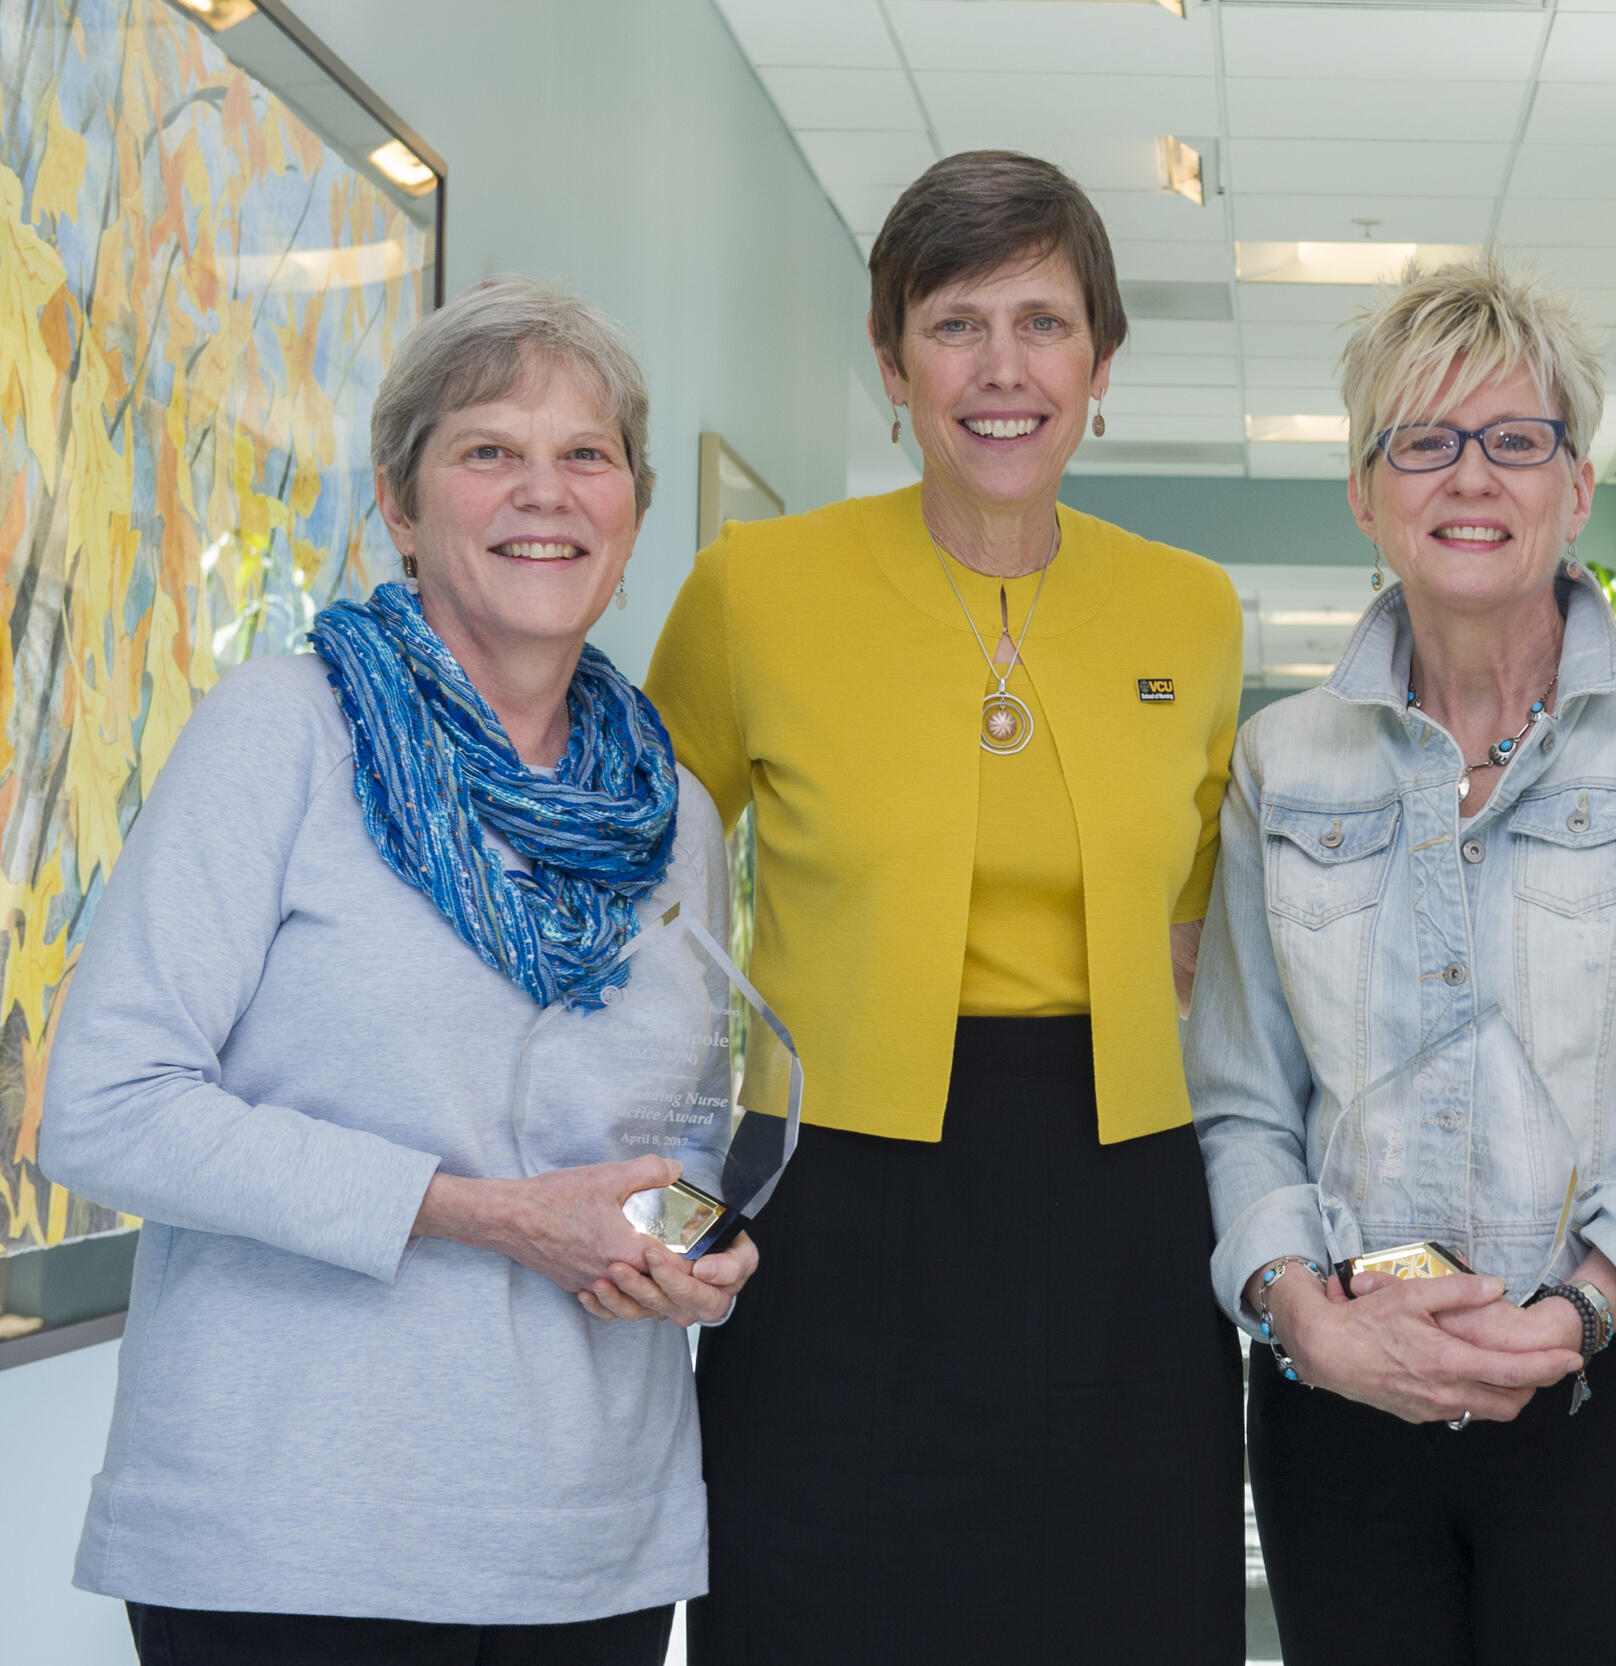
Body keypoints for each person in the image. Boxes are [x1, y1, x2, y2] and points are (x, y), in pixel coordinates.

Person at [38, 278, 758, 1666]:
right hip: (291, 1531)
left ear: (633, 507)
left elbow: (678, 1133)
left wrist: (698, 1245)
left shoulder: (670, 812)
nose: (541, 492)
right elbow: (106, 1104)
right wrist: (484, 1212)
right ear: (402, 503)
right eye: (487, 450)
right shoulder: (283, 737)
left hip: (584, 1544)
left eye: (585, 455)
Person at [645, 150, 1244, 1665]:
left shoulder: (1191, 608)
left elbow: (1197, 925)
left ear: (1101, 364)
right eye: (955, 322)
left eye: (1044, 323)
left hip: (1124, 1190)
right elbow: (635, 884)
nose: (1002, 369)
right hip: (828, 1189)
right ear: (891, 358)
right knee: (818, 1597)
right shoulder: (756, 587)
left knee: (1121, 1601)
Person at [1186, 259, 1616, 1665]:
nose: (1472, 475)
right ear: (1365, 492)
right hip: (1342, 1411)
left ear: (1577, 485)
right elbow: (1240, 1103)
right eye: (1425, 439)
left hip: (1611, 1407)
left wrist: (1582, 1305)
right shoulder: (1284, 761)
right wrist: (1306, 1317)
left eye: (1516, 437)